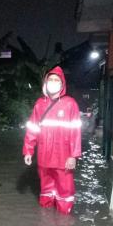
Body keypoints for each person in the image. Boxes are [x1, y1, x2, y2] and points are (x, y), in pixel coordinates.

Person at [23, 66, 82, 215]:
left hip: (63, 158)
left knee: (65, 191)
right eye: (51, 79)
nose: (53, 82)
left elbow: (76, 131)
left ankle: (64, 224)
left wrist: (73, 156)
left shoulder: (70, 104)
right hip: (44, 157)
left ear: (62, 84)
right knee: (46, 190)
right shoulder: (39, 104)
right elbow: (32, 129)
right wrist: (28, 151)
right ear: (45, 82)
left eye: (57, 80)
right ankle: (46, 223)